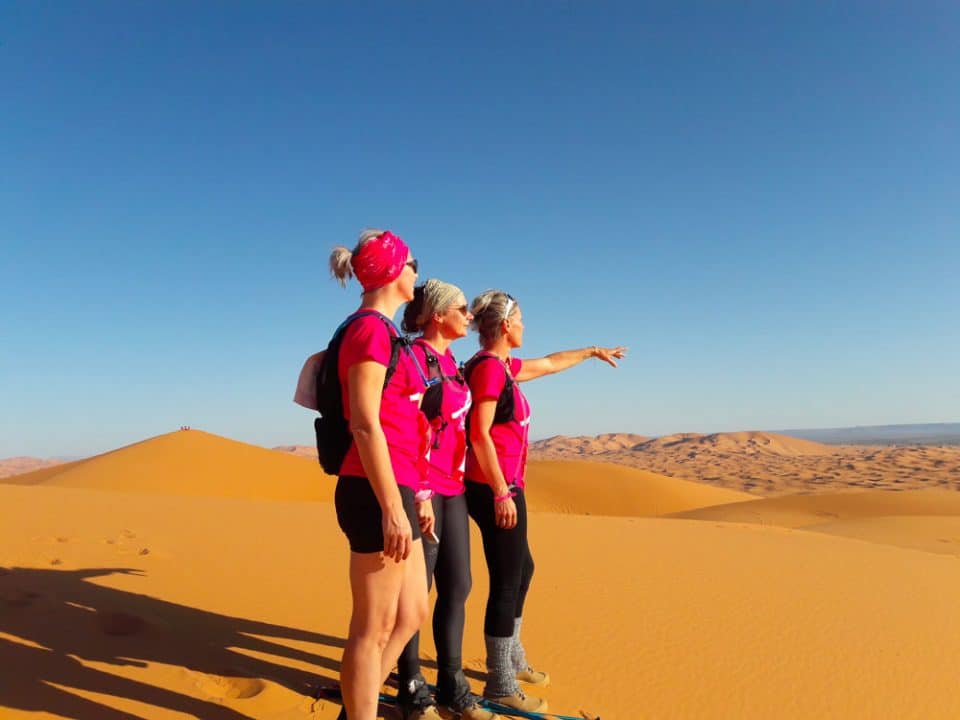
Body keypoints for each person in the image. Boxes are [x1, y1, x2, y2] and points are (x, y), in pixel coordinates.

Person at [463, 290, 626, 713]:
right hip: (492, 485)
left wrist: (591, 352)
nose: (524, 327)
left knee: (522, 569)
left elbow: (551, 363)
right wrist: (501, 490)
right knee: (505, 581)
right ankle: (499, 681)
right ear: (505, 326)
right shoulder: (488, 372)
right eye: (520, 320)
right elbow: (478, 434)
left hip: (506, 484)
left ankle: (510, 656)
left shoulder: (502, 367)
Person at [328, 229, 434, 720]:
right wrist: (393, 507)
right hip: (372, 491)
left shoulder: (384, 330)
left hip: (395, 486)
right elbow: (366, 423)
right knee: (370, 630)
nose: (417, 270)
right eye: (412, 262)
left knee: (412, 612)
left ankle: (358, 704)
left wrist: (411, 499)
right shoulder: (369, 330)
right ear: (393, 270)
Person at [395, 280, 503, 720]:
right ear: (438, 315)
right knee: (417, 594)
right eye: (462, 309)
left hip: (453, 488)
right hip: (423, 491)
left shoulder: (453, 365)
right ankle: (411, 686)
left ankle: (452, 684)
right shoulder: (414, 359)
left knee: (458, 585)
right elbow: (403, 430)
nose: (469, 316)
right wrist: (419, 493)